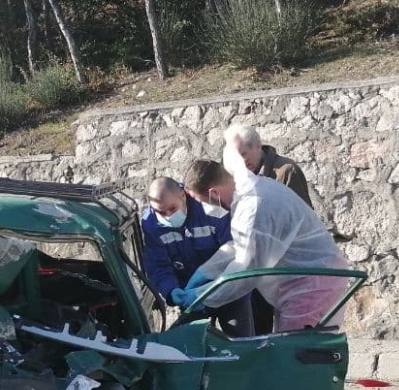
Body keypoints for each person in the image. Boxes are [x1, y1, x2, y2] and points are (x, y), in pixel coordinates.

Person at [180, 150, 352, 333]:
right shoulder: (254, 188)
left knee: (298, 355)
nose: (207, 208)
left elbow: (246, 272)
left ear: (214, 193)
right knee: (292, 351)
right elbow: (240, 246)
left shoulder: (254, 207)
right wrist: (205, 272)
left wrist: (201, 297)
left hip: (312, 287)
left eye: (202, 201)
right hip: (304, 284)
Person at [139, 176, 255, 337]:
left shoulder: (213, 209)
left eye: (172, 209)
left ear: (182, 194)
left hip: (230, 294)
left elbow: (237, 253)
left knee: (242, 346)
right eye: (161, 212)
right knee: (191, 349)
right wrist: (172, 291)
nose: (167, 216)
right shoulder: (152, 225)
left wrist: (210, 287)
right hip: (190, 297)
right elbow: (158, 266)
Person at [224, 123, 312, 208]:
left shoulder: (286, 172)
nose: (240, 161)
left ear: (258, 146)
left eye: (243, 154)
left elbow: (304, 217)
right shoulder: (239, 177)